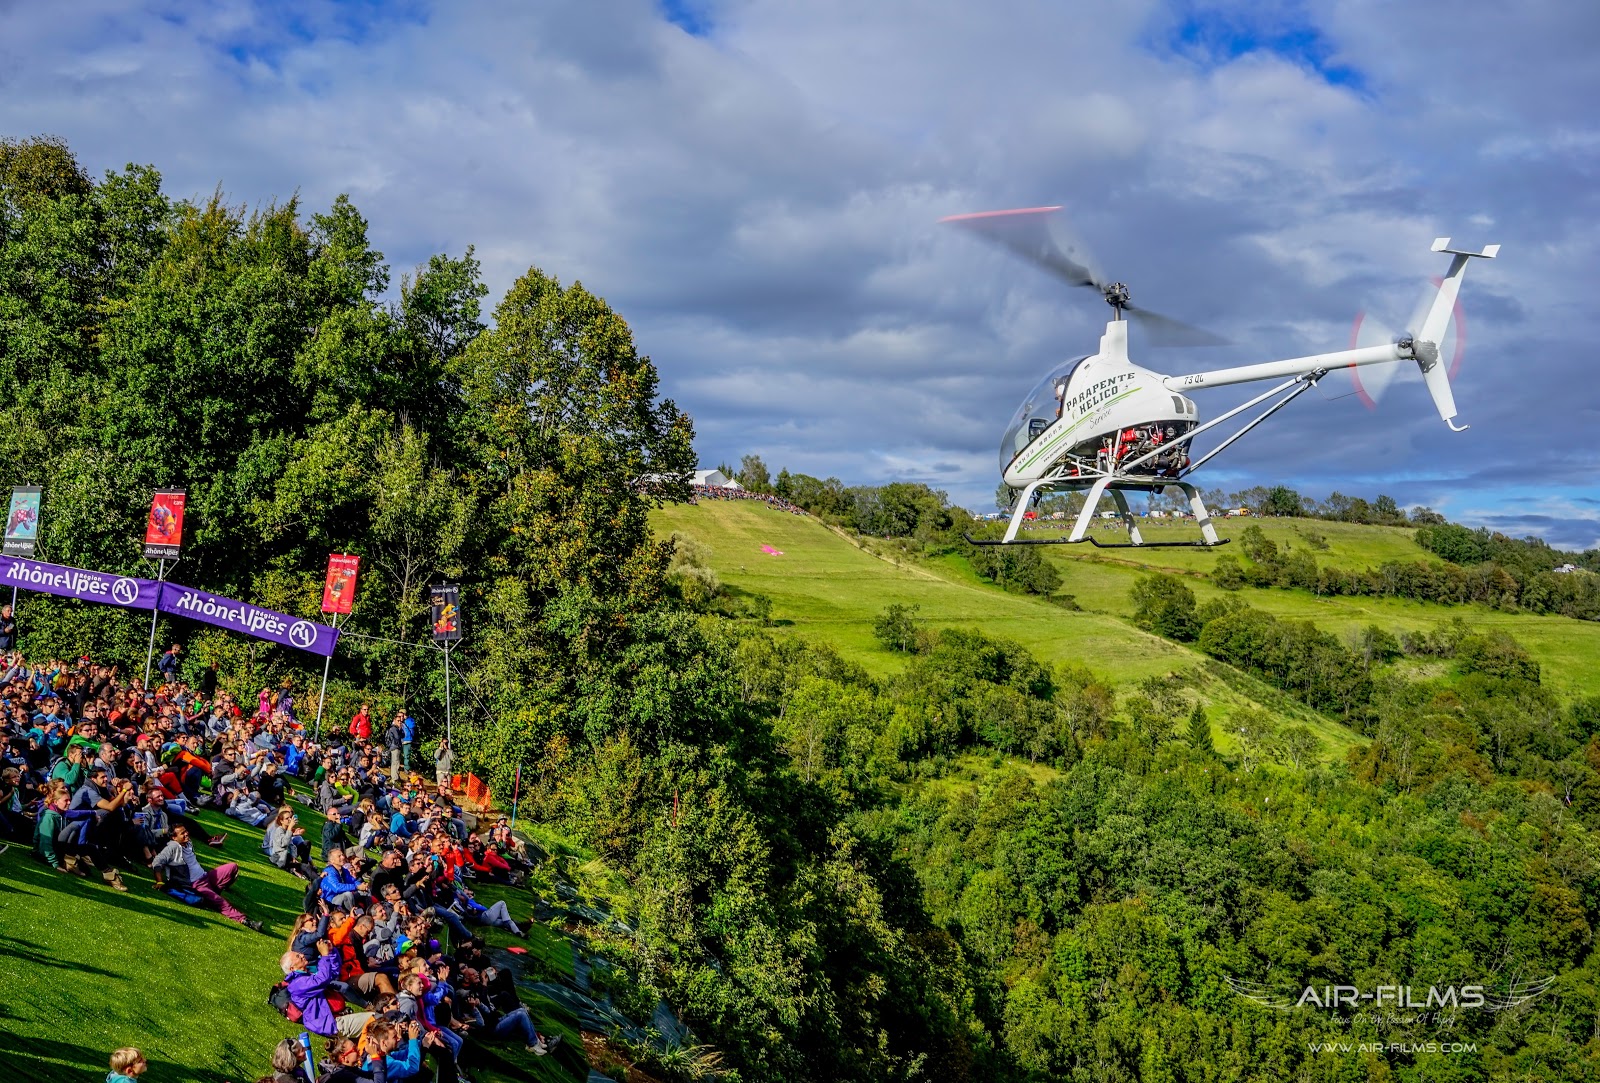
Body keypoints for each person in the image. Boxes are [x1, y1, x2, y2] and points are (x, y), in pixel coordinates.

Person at [151, 823, 264, 931]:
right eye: (182, 833)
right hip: (195, 884)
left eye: (186, 831)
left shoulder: (188, 842)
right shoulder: (171, 847)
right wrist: (160, 882)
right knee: (220, 901)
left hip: (206, 876)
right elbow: (157, 862)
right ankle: (245, 921)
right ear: (174, 838)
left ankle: (212, 895)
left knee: (232, 867)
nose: (186, 834)